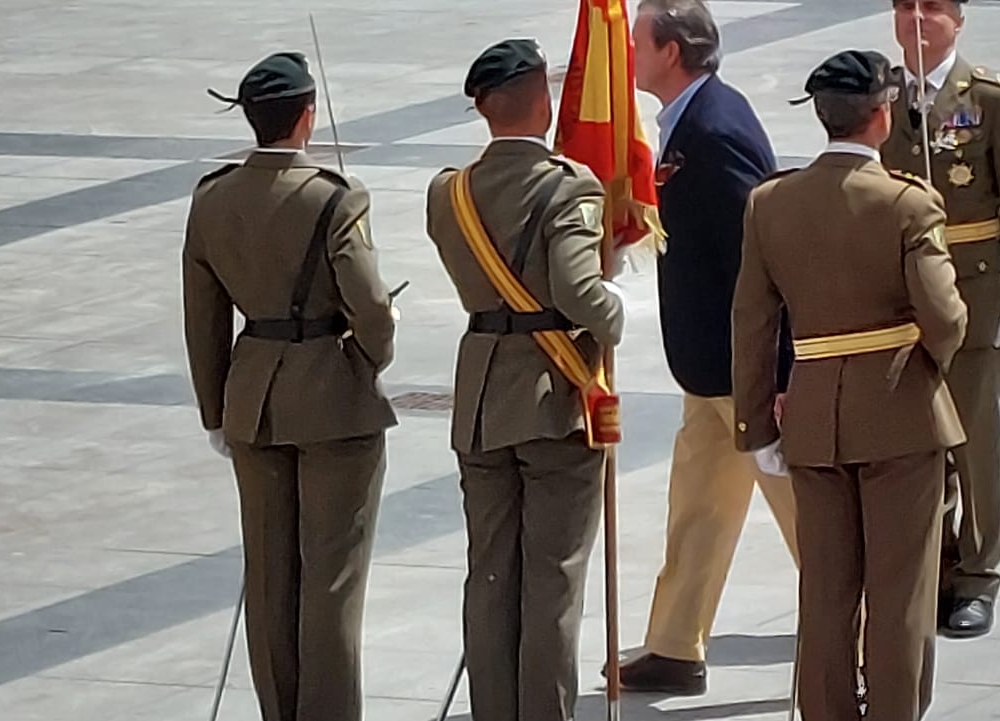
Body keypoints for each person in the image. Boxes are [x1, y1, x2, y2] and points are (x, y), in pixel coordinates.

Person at [734, 50, 967, 721]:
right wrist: (929, 368)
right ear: (882, 115)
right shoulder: (906, 203)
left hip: (812, 419)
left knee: (827, 594)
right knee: (900, 595)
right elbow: (945, 316)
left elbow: (751, 323)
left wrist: (757, 426)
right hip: (900, 415)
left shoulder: (770, 204)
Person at [182, 52, 398, 721]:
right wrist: (368, 356)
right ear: (307, 116)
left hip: (253, 400)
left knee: (271, 574)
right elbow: (371, 308)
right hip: (331, 396)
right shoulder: (335, 196)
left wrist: (216, 409)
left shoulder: (212, 198)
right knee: (331, 577)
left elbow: (204, 317)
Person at [424, 38, 627, 721]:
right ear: (542, 101)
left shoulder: (447, 190)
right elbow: (577, 289)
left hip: (481, 396)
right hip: (551, 398)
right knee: (552, 580)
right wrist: (614, 314)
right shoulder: (567, 185)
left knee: (489, 578)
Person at [615, 0, 796, 697]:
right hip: (707, 368)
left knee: (808, 520)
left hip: (745, 372)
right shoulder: (689, 119)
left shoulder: (715, 130)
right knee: (698, 510)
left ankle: (863, 643)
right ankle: (674, 647)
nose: (628, 52)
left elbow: (761, 258)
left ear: (671, 51)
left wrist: (779, 372)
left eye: (637, 41)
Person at [882, 0, 1000, 639]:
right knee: (914, 443)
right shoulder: (882, 95)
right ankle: (935, 568)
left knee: (974, 442)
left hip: (974, 295)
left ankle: (977, 577)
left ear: (958, 20)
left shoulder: (990, 99)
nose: (917, 20)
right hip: (899, 299)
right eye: (905, 8)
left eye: (932, 9)